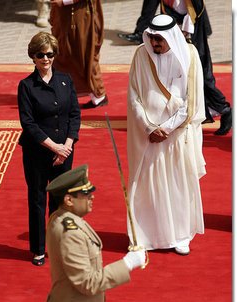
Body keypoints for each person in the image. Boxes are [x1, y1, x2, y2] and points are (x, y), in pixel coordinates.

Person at [41, 164, 146, 302]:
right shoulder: (69, 232)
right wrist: (127, 263)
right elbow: (87, 282)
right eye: (85, 193)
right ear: (69, 200)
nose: (92, 196)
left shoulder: (65, 218)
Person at [127, 14, 206, 255]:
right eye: (151, 38)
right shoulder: (141, 55)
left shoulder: (190, 56)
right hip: (148, 135)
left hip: (176, 135)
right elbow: (134, 96)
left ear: (171, 37)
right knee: (147, 187)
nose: (154, 44)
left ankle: (181, 236)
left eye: (159, 40)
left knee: (178, 185)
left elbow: (192, 102)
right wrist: (149, 127)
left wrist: (167, 129)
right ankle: (144, 236)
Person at [119, 0, 232, 135]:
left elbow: (194, 11)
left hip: (189, 38)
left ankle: (225, 110)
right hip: (170, 39)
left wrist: (183, 34)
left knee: (202, 79)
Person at [17, 32, 81, 266]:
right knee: (37, 199)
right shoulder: (25, 86)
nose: (46, 59)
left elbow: (74, 114)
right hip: (37, 153)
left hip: (64, 151)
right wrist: (53, 146)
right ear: (32, 57)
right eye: (40, 55)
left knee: (61, 200)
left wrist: (67, 145)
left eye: (50, 54)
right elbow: (28, 123)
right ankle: (39, 249)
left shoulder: (66, 80)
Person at [49, 0, 108, 108]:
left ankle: (97, 94)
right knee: (63, 53)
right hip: (65, 16)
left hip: (80, 15)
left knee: (84, 54)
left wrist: (64, 2)